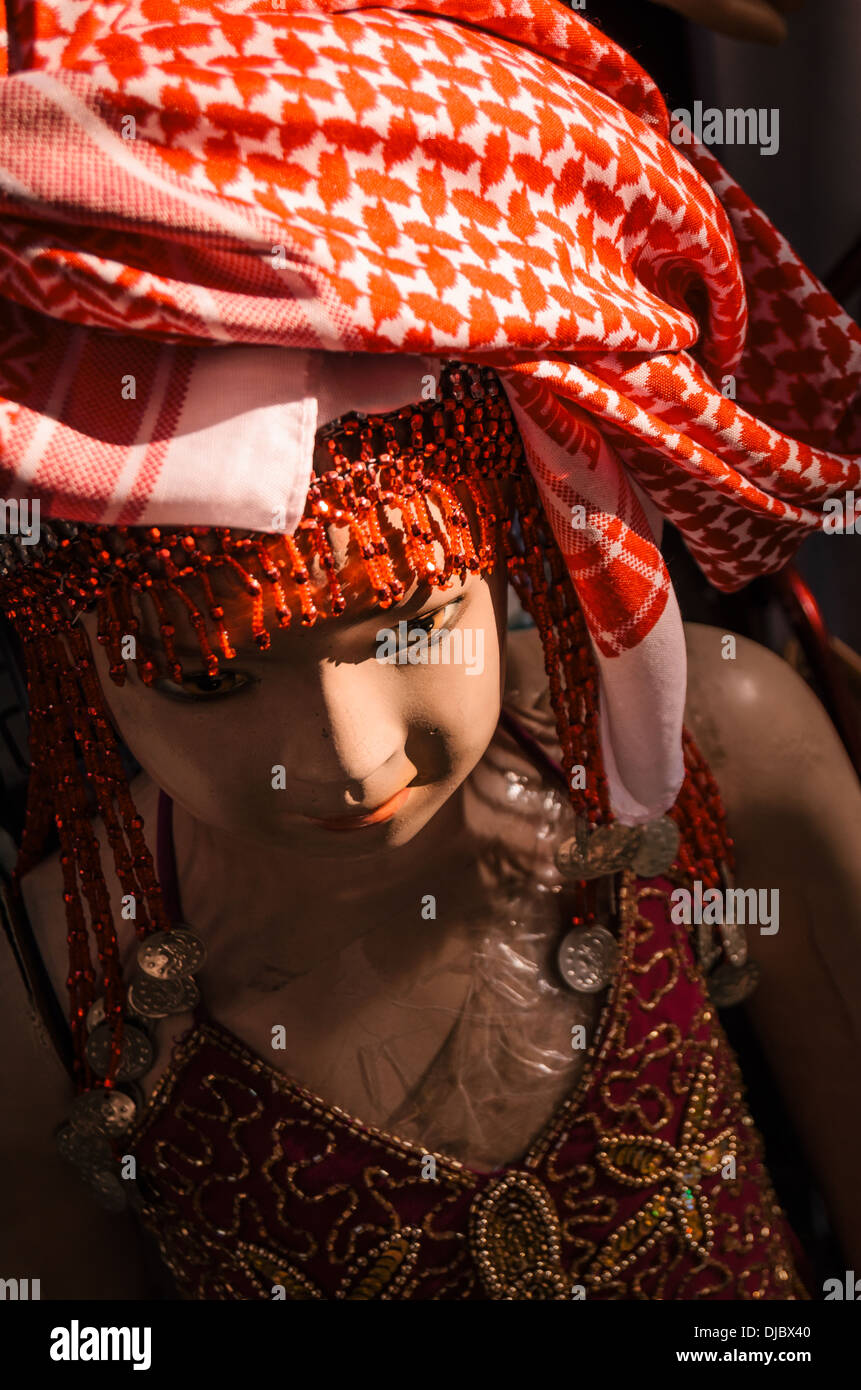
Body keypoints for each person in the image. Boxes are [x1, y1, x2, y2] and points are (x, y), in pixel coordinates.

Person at [0, 0, 860, 1300]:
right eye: (206, 673)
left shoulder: (726, 759)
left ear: (511, 543)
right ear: (74, 656)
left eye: (405, 625)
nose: (343, 755)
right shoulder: (47, 986)